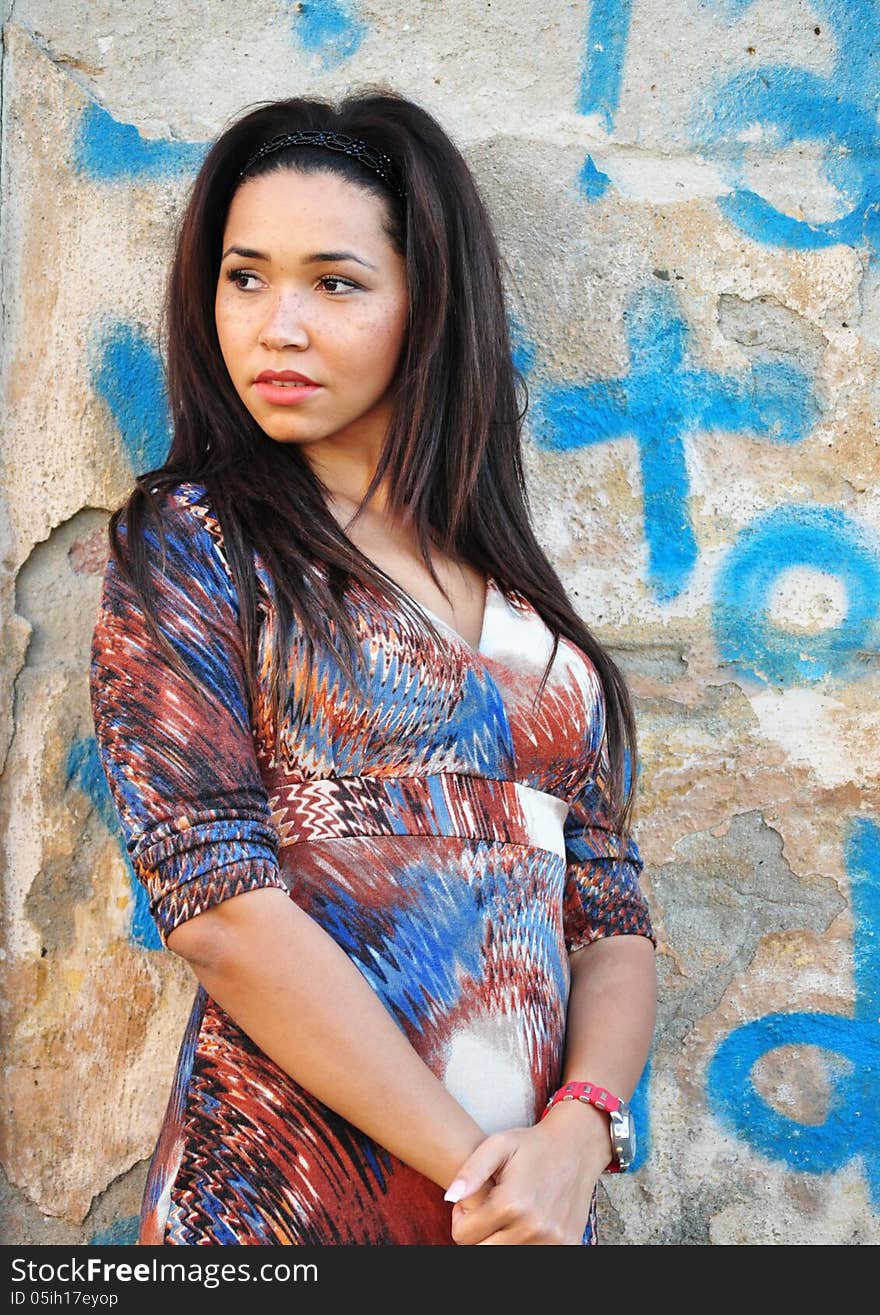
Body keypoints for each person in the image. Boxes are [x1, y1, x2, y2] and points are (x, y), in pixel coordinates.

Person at [88, 88, 658, 1247]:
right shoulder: (197, 538)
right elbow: (214, 905)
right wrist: (488, 1178)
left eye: (334, 282)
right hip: (290, 1203)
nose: (275, 325)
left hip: (527, 1219)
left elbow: (607, 906)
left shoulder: (518, 596)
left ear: (426, 305)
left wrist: (580, 1134)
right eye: (244, 277)